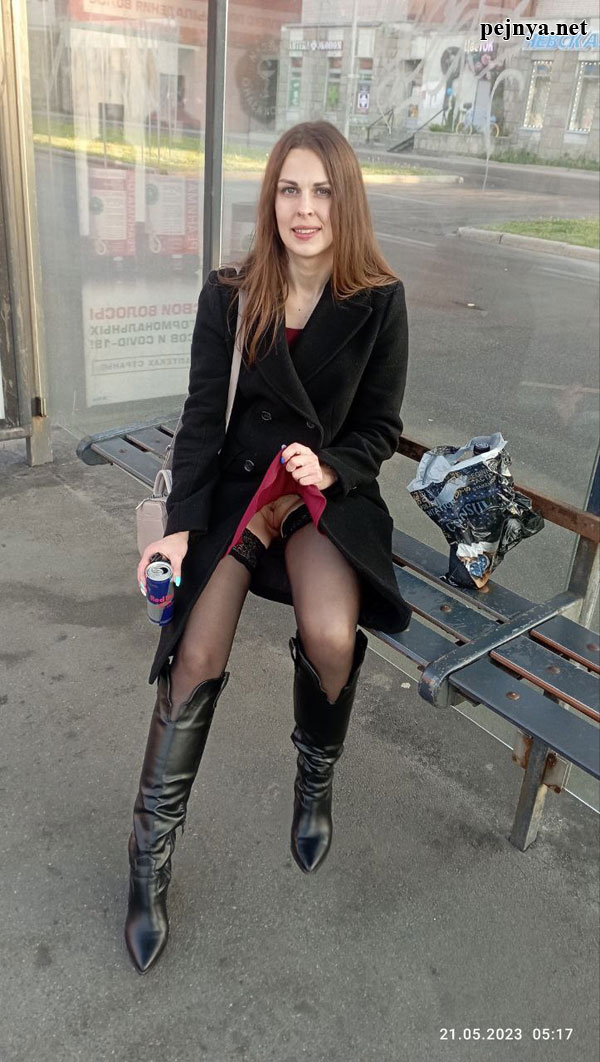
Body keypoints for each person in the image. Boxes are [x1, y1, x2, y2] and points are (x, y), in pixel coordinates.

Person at [125, 120, 411, 974]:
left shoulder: (379, 299)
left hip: (322, 499)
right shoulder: (232, 293)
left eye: (322, 190)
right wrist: (179, 527)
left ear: (345, 200)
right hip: (241, 492)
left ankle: (314, 779)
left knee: (330, 636)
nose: (304, 208)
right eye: (290, 189)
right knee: (194, 656)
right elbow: (201, 416)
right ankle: (147, 860)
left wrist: (331, 466)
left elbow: (380, 429)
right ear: (271, 199)